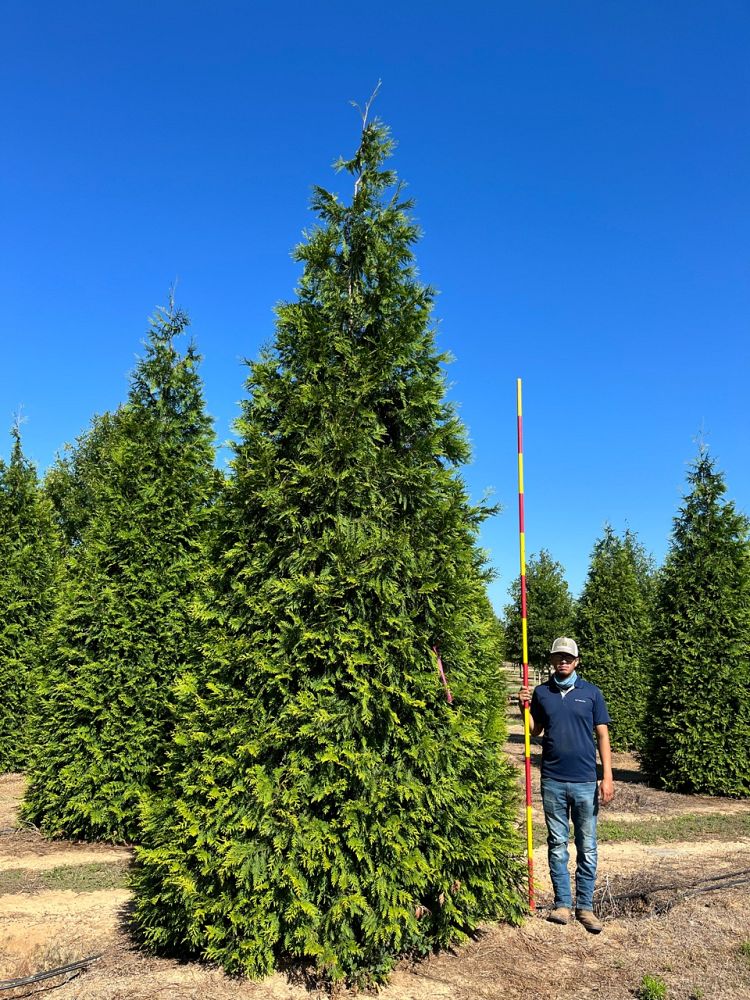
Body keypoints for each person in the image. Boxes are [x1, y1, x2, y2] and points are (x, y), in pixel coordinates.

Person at [518, 636, 614, 933]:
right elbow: (536, 731)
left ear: (576, 661)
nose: (563, 661)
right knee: (557, 844)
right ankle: (562, 904)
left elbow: (602, 736)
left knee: (587, 846)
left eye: (568, 657)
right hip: (553, 780)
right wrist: (525, 708)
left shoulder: (592, 693)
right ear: (552, 660)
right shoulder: (542, 692)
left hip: (586, 781)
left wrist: (607, 776)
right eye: (558, 657)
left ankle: (585, 907)